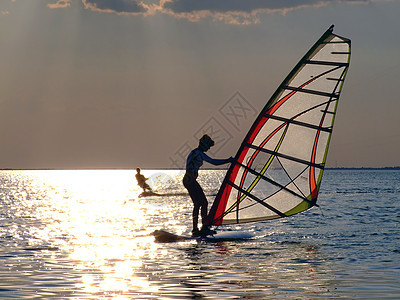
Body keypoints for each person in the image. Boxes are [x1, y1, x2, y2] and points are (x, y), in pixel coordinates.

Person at [183, 134, 234, 236]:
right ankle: (202, 228)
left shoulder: (195, 152)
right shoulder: (198, 153)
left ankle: (197, 228)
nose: (208, 148)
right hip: (190, 180)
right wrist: (228, 160)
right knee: (203, 203)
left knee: (199, 204)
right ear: (204, 145)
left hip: (188, 180)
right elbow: (213, 162)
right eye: (208, 146)